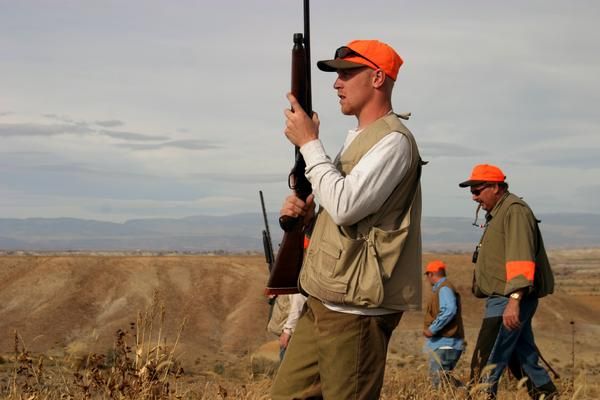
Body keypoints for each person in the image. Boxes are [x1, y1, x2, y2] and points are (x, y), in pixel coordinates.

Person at [270, 39, 424, 400]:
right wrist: (309, 216)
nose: (336, 84)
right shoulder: (359, 139)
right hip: (324, 297)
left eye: (347, 73)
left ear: (377, 78)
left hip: (357, 310)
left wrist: (309, 143)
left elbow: (345, 205)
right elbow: (343, 215)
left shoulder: (394, 141)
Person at [459, 164, 557, 399]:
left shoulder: (514, 211)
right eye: (471, 191)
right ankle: (547, 395)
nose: (474, 197)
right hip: (505, 297)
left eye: (477, 190)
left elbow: (521, 256)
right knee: (522, 358)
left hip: (508, 299)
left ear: (495, 187)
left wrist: (514, 299)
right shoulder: (501, 212)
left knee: (485, 361)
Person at [423, 260, 464, 388]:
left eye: (427, 275)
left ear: (431, 274)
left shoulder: (444, 288)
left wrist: (432, 329)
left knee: (438, 383)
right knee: (445, 381)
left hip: (445, 344)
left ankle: (468, 393)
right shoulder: (443, 288)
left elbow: (449, 310)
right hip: (445, 344)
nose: (427, 279)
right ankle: (468, 393)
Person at [267, 293, 308, 360]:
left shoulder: (295, 289)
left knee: (289, 361)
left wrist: (287, 331)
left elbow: (297, 307)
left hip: (292, 334)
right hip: (289, 332)